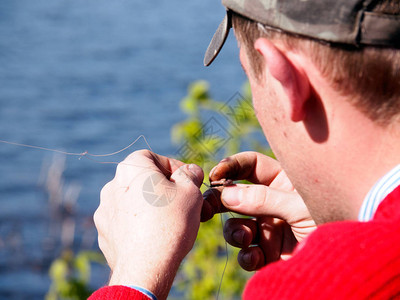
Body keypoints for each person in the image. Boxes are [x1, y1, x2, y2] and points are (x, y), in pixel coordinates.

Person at [89, 0, 400, 299]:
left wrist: (134, 277)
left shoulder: (332, 286)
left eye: (250, 76)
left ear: (287, 78)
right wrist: (333, 241)